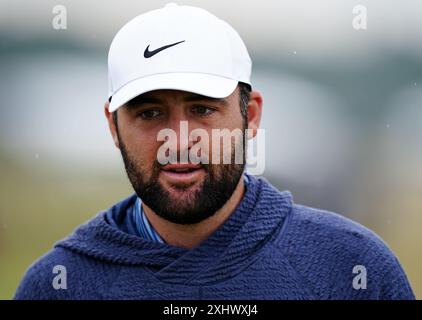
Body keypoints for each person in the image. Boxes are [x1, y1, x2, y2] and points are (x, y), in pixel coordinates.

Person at [15, 3, 415, 300]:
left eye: (202, 109)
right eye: (150, 112)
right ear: (113, 127)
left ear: (251, 115)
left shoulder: (349, 267)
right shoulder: (57, 284)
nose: (179, 138)